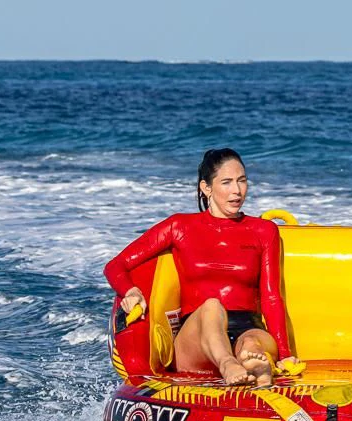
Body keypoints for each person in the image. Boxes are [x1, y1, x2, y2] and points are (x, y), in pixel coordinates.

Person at [104, 149, 294, 387]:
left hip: (246, 327)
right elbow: (116, 265)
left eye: (242, 181)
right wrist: (130, 291)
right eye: (226, 182)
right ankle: (228, 363)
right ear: (206, 188)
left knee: (252, 346)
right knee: (212, 307)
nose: (237, 191)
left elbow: (271, 297)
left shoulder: (264, 231)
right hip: (196, 334)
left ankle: (253, 365)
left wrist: (286, 356)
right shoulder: (179, 226)